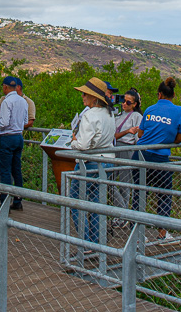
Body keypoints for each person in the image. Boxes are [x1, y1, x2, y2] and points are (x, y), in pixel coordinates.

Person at [132, 77, 181, 240]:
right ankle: (162, 234)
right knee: (163, 194)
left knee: (140, 193)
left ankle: (138, 234)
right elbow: (179, 138)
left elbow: (140, 134)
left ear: (159, 94)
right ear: (173, 95)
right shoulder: (179, 111)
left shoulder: (149, 109)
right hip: (161, 158)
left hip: (141, 155)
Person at [68, 77, 116, 243]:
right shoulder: (109, 114)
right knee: (96, 203)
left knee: (75, 201)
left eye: (85, 94)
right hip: (107, 161)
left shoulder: (89, 115)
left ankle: (85, 242)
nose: (82, 97)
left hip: (90, 163)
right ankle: (96, 243)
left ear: (94, 97)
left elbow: (83, 145)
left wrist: (73, 141)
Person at [0, 77, 35, 203]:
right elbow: (25, 121)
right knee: (16, 170)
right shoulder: (23, 101)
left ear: (5, 87)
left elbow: (4, 122)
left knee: (5, 171)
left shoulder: (6, 101)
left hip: (7, 137)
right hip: (18, 137)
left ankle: (4, 204)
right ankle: (18, 201)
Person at [111, 88, 144, 218]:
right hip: (115, 148)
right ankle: (123, 213)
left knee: (124, 185)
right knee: (110, 182)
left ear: (134, 104)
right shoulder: (118, 115)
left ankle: (122, 216)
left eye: (128, 102)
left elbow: (138, 138)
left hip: (126, 149)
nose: (124, 104)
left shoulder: (137, 117)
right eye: (123, 101)